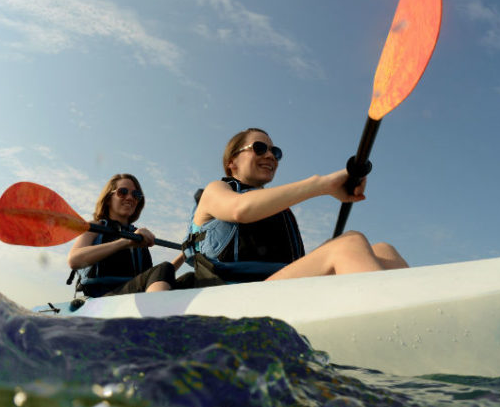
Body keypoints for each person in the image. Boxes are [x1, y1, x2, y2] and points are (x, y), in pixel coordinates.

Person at [179, 127, 407, 283]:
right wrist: (322, 184)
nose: (270, 155)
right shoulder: (215, 191)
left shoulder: (274, 206)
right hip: (235, 293)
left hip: (280, 290)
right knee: (349, 243)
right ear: (232, 162)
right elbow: (240, 209)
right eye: (259, 148)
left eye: (274, 151)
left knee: (382, 250)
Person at [67, 174, 183, 297]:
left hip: (132, 296)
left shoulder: (138, 236)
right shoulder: (94, 227)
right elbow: (74, 260)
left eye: (136, 195)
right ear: (108, 199)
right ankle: (153, 313)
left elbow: (157, 277)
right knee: (163, 267)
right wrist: (125, 242)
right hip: (103, 298)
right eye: (122, 192)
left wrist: (184, 255)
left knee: (189, 278)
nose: (130, 198)